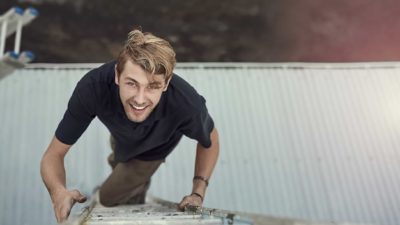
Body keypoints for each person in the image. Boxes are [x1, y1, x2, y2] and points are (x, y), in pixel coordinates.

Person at [40, 29, 219, 223]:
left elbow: (211, 141)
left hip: (153, 149)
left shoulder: (186, 103)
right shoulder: (93, 88)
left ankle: (135, 182)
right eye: (132, 84)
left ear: (166, 84)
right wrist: (58, 192)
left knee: (107, 198)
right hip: (120, 136)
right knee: (118, 157)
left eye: (152, 87)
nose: (140, 99)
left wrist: (198, 193)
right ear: (117, 75)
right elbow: (53, 154)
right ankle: (125, 173)